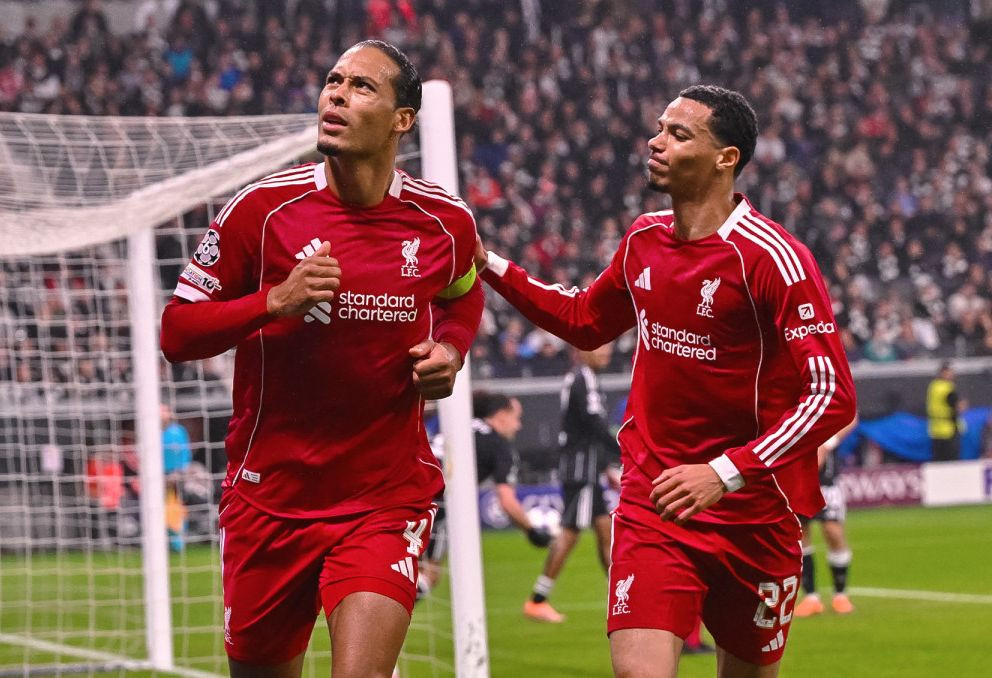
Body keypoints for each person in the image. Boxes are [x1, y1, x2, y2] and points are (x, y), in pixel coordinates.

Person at [475, 85, 856, 677]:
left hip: (754, 513)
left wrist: (724, 472)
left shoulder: (774, 258)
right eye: (659, 128)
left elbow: (832, 395)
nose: (656, 142)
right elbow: (583, 320)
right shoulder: (643, 239)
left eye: (678, 134)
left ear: (726, 158)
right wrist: (488, 263)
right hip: (655, 501)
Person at [160, 40, 483, 678]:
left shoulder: (443, 222)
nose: (336, 94)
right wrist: (272, 301)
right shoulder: (261, 211)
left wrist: (451, 348)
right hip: (269, 500)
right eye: (333, 81)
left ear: (402, 119)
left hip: (385, 498)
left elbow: (463, 294)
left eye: (361, 86)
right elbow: (176, 332)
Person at [418, 391, 552, 598]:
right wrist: (532, 531)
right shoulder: (498, 446)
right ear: (501, 415)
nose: (518, 426)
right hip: (435, 503)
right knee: (429, 572)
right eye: (516, 418)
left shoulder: (459, 425)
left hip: (407, 488)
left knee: (402, 565)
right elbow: (506, 500)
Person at [524, 343, 619, 623]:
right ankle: (538, 599)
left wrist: (605, 466)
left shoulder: (583, 378)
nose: (606, 353)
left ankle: (620, 596)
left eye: (609, 348)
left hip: (587, 468)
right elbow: (594, 424)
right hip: (581, 470)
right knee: (570, 531)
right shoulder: (583, 378)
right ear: (583, 351)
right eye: (601, 348)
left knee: (605, 529)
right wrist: (622, 450)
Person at [794, 417, 858, 617]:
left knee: (833, 530)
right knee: (801, 534)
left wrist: (827, 444)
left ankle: (841, 595)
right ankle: (811, 598)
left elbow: (852, 417)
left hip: (826, 480)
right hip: (797, 475)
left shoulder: (827, 397)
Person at [927, 361, 965, 462]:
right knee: (951, 462)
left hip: (936, 430)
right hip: (949, 429)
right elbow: (957, 405)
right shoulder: (947, 388)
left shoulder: (933, 386)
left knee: (939, 460)